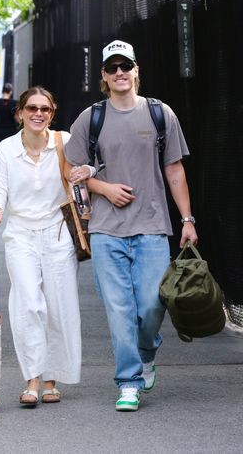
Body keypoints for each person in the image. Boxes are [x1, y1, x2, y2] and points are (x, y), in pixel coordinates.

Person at [64, 39, 198, 412]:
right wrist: (102, 186)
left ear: (137, 70)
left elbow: (174, 169)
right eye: (112, 68)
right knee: (119, 310)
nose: (120, 72)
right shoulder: (91, 117)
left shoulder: (160, 114)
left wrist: (187, 219)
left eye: (126, 65)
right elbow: (71, 169)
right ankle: (128, 381)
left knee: (153, 305)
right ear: (104, 77)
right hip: (106, 230)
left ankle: (146, 350)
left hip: (153, 227)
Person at [0, 86, 83, 408]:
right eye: (32, 108)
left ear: (52, 114)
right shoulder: (7, 148)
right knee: (29, 303)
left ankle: (52, 380)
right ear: (20, 113)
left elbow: (88, 169)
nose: (38, 114)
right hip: (20, 234)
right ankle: (32, 379)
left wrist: (87, 172)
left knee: (58, 306)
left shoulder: (64, 142)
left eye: (45, 109)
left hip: (57, 235)